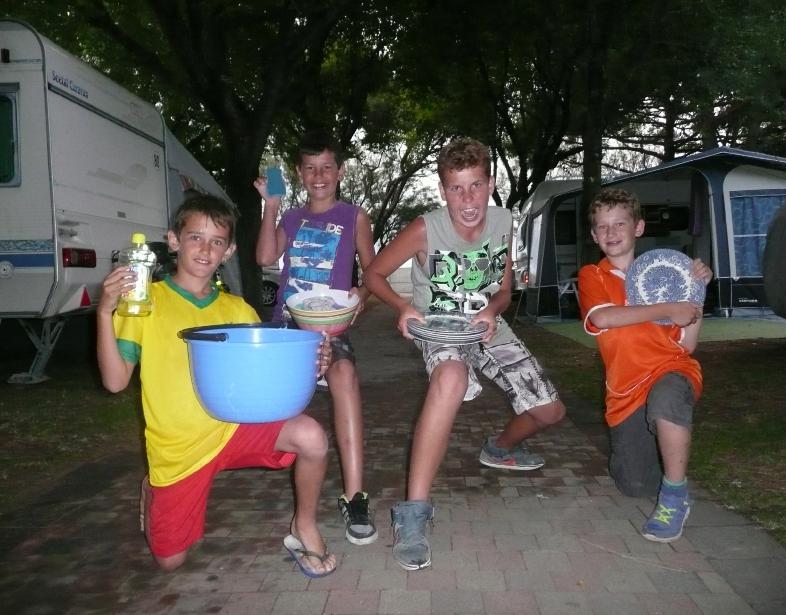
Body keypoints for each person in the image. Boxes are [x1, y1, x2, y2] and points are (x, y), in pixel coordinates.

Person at [97, 194, 337, 577]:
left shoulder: (238, 310)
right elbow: (114, 382)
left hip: (234, 430)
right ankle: (152, 488)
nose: (206, 249)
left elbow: (265, 379)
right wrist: (105, 311)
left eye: (217, 241)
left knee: (311, 436)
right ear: (173, 240)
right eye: (195, 237)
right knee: (170, 562)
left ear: (229, 250)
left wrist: (314, 365)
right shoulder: (143, 302)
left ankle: (303, 524)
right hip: (180, 451)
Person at [363, 137, 566, 570]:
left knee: (550, 412)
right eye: (456, 188)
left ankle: (499, 448)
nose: (468, 199)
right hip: (439, 329)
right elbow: (374, 273)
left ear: (490, 184)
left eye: (475, 186)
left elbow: (504, 290)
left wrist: (492, 310)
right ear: (443, 190)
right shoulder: (425, 229)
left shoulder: (503, 221)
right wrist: (402, 307)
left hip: (487, 327)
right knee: (451, 379)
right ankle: (413, 514)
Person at [254, 132, 378, 545]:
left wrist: (361, 297)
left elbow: (373, 274)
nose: (319, 175)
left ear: (340, 171)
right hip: (289, 328)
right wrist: (271, 206)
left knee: (345, 377)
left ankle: (355, 497)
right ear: (299, 173)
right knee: (277, 402)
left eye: (326, 167)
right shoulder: (290, 218)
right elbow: (264, 257)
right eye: (310, 168)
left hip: (330, 328)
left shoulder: (355, 216)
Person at [577, 187, 713, 542]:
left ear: (638, 227)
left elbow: (688, 344)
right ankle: (658, 453)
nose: (611, 232)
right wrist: (668, 309)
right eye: (603, 226)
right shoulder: (592, 275)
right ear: (594, 235)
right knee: (634, 485)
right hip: (624, 390)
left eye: (620, 223)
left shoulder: (668, 273)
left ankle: (676, 494)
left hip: (671, 368)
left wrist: (695, 291)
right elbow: (604, 318)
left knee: (667, 400)